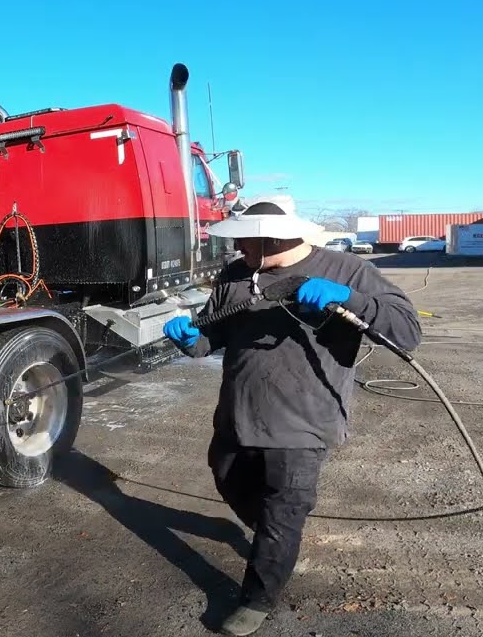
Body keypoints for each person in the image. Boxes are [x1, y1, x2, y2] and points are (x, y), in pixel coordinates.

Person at [162, 196, 421, 636]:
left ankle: (258, 597)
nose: (237, 246)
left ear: (270, 238)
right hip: (238, 414)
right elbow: (212, 335)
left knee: (283, 512)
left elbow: (408, 332)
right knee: (230, 481)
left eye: (244, 239)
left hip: (304, 420)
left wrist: (352, 300)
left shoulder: (348, 271)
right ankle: (274, 537)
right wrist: (190, 339)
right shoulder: (236, 275)